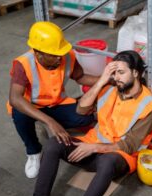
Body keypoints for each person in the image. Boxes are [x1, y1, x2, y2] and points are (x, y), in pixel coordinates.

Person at [33, 50, 152, 196]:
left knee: (108, 162)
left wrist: (94, 148)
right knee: (54, 144)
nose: (116, 78)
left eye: (121, 72)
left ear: (135, 73)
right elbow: (81, 110)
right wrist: (102, 80)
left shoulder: (148, 106)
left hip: (119, 156)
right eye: (113, 73)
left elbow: (130, 145)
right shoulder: (109, 88)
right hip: (92, 147)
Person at [7, 21, 98, 179]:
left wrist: (107, 79)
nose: (59, 58)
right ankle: (34, 151)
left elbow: (81, 77)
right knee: (19, 114)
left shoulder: (66, 56)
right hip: (31, 107)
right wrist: (50, 121)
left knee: (86, 117)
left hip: (57, 103)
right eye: (53, 54)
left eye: (60, 53)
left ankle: (51, 125)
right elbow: (15, 98)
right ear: (38, 52)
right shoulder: (23, 64)